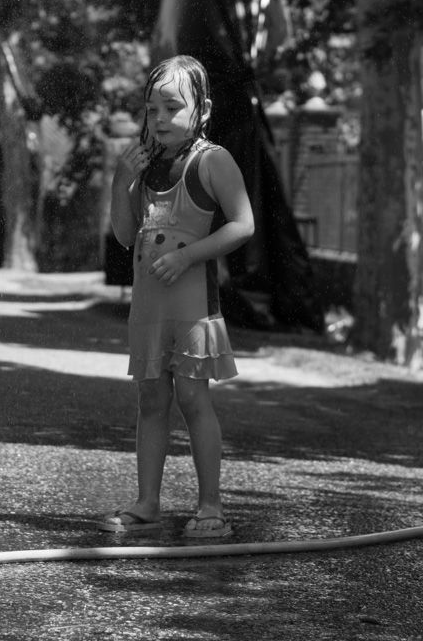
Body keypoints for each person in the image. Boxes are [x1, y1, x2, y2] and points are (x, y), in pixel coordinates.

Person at [99, 55, 254, 539]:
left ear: (202, 109)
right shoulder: (145, 167)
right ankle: (148, 502)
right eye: (151, 110)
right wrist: (119, 181)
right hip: (149, 308)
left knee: (192, 397)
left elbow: (243, 224)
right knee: (151, 400)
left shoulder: (213, 161)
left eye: (172, 107)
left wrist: (189, 258)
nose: (160, 119)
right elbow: (126, 236)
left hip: (191, 306)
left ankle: (211, 506)